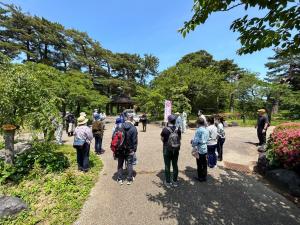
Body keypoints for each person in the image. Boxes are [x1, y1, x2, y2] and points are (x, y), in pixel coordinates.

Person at [160, 114, 182, 188]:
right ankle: (175, 181)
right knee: (175, 164)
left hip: (167, 149)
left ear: (168, 121)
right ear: (175, 121)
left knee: (167, 165)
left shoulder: (165, 129)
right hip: (176, 149)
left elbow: (162, 139)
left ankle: (168, 182)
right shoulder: (178, 129)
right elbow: (180, 139)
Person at [116, 114, 138, 185]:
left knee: (120, 164)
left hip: (120, 149)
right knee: (129, 164)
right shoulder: (134, 128)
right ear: (131, 119)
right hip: (130, 149)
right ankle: (129, 179)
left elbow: (115, 138)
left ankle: (120, 179)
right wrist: (134, 150)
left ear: (126, 119)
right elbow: (135, 141)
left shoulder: (120, 127)